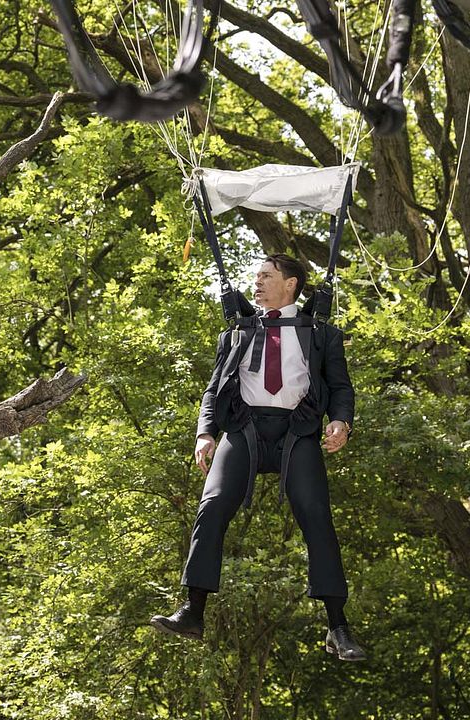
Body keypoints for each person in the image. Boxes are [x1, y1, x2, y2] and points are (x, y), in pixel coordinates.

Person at [151, 254, 365, 661]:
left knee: (317, 514)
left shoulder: (321, 334)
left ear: (292, 284)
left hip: (297, 431)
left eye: (267, 276)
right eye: (256, 277)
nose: (258, 283)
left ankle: (338, 626)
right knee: (211, 506)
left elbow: (341, 388)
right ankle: (193, 611)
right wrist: (205, 433)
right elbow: (214, 389)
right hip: (244, 430)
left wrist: (340, 422)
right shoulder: (236, 332)